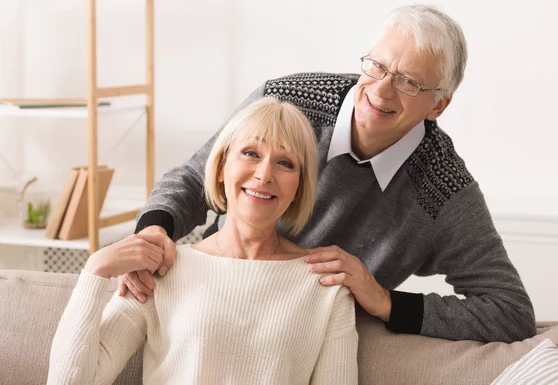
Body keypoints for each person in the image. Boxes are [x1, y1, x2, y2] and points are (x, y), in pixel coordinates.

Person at [125, 4, 536, 343]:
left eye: (409, 82)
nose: (381, 90)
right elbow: (198, 177)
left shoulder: (443, 189)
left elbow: (510, 311)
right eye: (377, 66)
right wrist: (154, 230)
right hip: (217, 293)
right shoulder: (286, 100)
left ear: (438, 106)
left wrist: (385, 301)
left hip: (312, 336)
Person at [47, 97, 359, 384]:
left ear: (298, 187)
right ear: (222, 167)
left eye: (285, 163)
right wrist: (95, 270)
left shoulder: (326, 288)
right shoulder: (160, 271)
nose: (264, 174)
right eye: (251, 153)